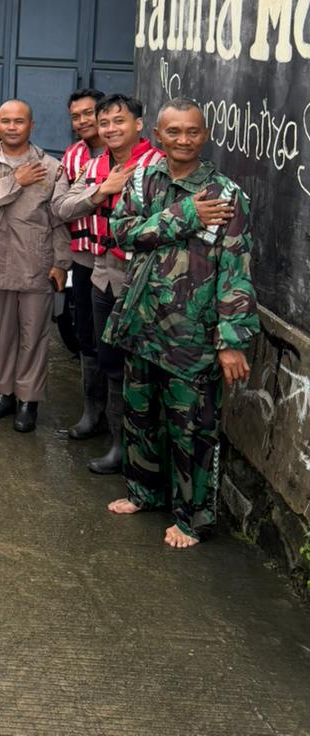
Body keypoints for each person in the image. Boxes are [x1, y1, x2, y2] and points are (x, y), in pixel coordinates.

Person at [104, 98, 259, 547]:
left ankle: (193, 519)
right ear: (158, 135)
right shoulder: (142, 180)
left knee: (192, 430)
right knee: (140, 416)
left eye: (193, 131)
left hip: (192, 335)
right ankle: (144, 492)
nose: (184, 140)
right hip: (142, 323)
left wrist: (231, 340)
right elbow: (122, 233)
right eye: (174, 131)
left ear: (205, 135)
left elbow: (235, 271)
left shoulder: (225, 194)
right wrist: (185, 215)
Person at [53, 94, 163, 472]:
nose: (110, 129)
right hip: (100, 272)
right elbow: (62, 207)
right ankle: (116, 441)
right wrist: (102, 189)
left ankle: (138, 450)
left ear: (139, 124)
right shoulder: (94, 165)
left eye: (119, 121)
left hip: (143, 278)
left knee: (141, 364)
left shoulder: (156, 165)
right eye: (105, 123)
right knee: (107, 356)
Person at [0, 100, 70, 433]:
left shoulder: (51, 167)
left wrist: (61, 263)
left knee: (34, 335)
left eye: (19, 121)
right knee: (1, 335)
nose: (12, 127)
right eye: (6, 121)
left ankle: (28, 400)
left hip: (36, 263)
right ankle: (4, 394)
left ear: (31, 125)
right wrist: (16, 181)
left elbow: (59, 220)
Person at [59, 88, 105, 440]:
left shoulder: (132, 156)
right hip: (83, 258)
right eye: (76, 116)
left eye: (89, 113)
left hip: (120, 262)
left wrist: (81, 199)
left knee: (116, 340)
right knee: (86, 334)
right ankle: (93, 411)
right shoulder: (73, 156)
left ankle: (120, 422)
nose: (83, 121)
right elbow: (60, 208)